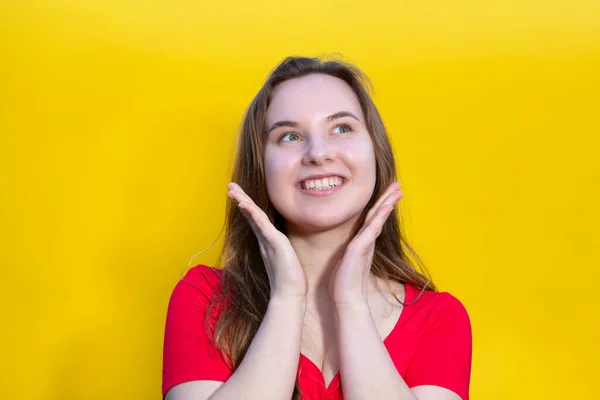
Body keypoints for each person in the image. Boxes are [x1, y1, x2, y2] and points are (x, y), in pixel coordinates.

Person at [162, 56, 472, 400]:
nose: (318, 153)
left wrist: (351, 303)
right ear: (260, 167)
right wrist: (287, 300)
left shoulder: (438, 319)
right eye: (290, 136)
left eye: (341, 128)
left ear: (376, 153)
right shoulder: (206, 299)